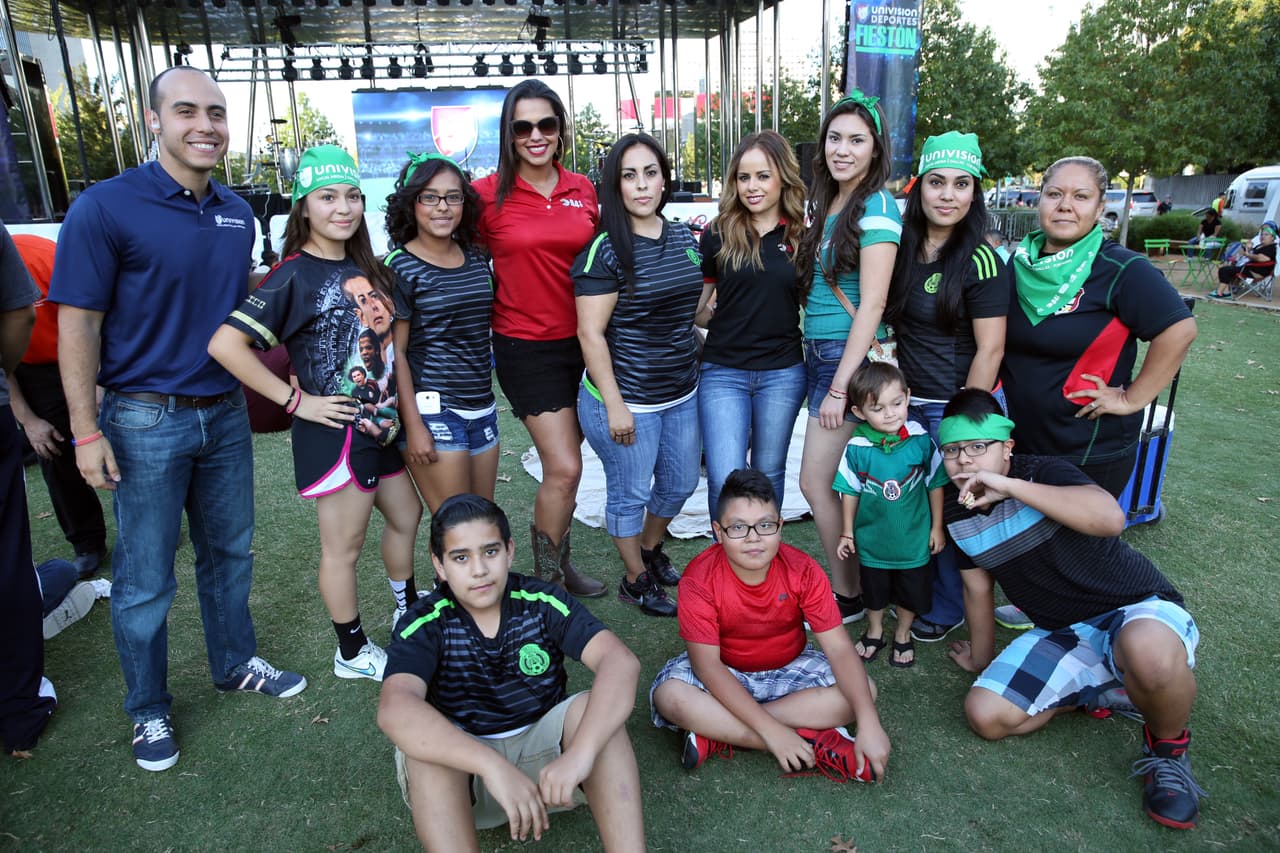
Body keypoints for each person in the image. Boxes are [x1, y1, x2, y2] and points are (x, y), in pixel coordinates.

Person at [50, 67, 306, 772]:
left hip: (223, 415)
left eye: (217, 113)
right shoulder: (104, 207)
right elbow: (78, 324)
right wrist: (85, 429)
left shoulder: (235, 211)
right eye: (187, 111)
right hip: (141, 419)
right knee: (146, 577)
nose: (207, 125)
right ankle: (148, 709)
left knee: (231, 554)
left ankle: (234, 662)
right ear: (152, 120)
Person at [939, 389, 1205, 831]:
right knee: (986, 716)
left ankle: (1168, 751)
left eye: (977, 446)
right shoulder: (956, 510)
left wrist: (1008, 486)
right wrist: (981, 659)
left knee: (1148, 655)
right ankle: (1103, 692)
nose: (964, 460)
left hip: (1135, 608)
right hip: (1064, 632)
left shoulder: (1042, 471)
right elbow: (977, 587)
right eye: (952, 450)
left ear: (1007, 446)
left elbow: (1110, 520)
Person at [209, 145, 423, 683]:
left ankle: (407, 611)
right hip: (334, 434)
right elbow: (226, 346)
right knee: (343, 547)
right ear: (304, 206)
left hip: (379, 426)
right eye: (327, 197)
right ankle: (350, 652)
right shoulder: (291, 275)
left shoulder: (362, 266)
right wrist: (297, 401)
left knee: (407, 516)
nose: (343, 208)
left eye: (352, 195)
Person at [377, 494, 645, 851]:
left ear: (509, 551)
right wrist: (491, 766)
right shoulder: (424, 622)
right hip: (469, 778)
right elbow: (396, 708)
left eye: (490, 552)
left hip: (552, 771)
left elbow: (620, 662)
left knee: (591, 711)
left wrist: (580, 754)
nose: (479, 569)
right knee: (424, 752)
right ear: (439, 566)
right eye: (460, 557)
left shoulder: (541, 600)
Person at [649, 469, 889, 780]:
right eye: (738, 527)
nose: (752, 538)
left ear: (780, 526)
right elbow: (707, 667)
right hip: (726, 669)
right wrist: (773, 733)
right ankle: (811, 741)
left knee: (864, 693)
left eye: (764, 525)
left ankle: (716, 732)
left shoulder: (802, 569)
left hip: (791, 666)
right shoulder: (699, 578)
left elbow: (840, 650)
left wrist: (870, 722)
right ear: (717, 532)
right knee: (671, 698)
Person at [474, 79, 605, 597]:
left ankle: (559, 561)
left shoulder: (583, 188)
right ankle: (545, 581)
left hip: (587, 343)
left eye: (545, 124)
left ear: (560, 130)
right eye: (522, 126)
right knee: (565, 466)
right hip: (525, 347)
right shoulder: (485, 195)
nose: (535, 135)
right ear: (509, 133)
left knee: (569, 466)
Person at [1002, 156, 1196, 498]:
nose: (1065, 206)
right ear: (1040, 199)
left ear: (1100, 206)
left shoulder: (1121, 268)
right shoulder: (1016, 263)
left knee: (1078, 551)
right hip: (1016, 440)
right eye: (1054, 194)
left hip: (1087, 451)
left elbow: (1179, 329)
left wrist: (1131, 399)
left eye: (1081, 196)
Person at [573, 133, 704, 617]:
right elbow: (590, 335)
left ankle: (649, 549)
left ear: (664, 179)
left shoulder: (682, 237)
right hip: (628, 399)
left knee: (681, 482)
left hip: (681, 390)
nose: (642, 185)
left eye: (651, 173)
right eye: (630, 176)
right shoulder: (604, 252)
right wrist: (615, 405)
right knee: (629, 493)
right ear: (615, 185)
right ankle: (634, 579)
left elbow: (692, 310)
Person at [884, 131, 1007, 642]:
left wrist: (963, 428)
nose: (948, 195)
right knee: (916, 505)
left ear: (974, 192)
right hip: (906, 406)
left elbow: (991, 349)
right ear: (919, 187)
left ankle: (950, 604)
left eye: (961, 184)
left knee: (959, 509)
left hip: (956, 407)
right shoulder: (902, 249)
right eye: (937, 182)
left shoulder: (981, 258)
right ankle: (917, 590)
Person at [795, 90, 901, 624]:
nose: (843, 149)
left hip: (848, 357)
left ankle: (851, 594)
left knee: (816, 480)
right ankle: (858, 588)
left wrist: (840, 387)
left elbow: (874, 301)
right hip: (818, 350)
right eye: (835, 138)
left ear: (875, 148)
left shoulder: (878, 203)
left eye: (856, 140)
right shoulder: (832, 202)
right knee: (840, 480)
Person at [694, 131, 808, 522]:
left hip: (783, 373)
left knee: (768, 474)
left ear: (783, 178)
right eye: (744, 177)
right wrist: (725, 318)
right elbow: (697, 310)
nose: (752, 186)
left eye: (763, 176)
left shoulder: (801, 236)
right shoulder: (718, 233)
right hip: (723, 371)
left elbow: (813, 302)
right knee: (725, 477)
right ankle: (726, 571)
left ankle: (761, 565)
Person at [386, 152, 499, 512]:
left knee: (481, 519)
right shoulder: (398, 266)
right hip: (434, 412)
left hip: (482, 407)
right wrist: (414, 425)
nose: (443, 207)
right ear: (411, 203)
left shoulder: (477, 258)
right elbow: (396, 353)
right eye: (430, 197)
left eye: (453, 196)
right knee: (456, 523)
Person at [833, 363, 947, 668]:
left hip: (913, 542)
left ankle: (903, 634)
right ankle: (875, 631)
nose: (890, 414)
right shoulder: (857, 446)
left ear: (908, 397)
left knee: (911, 593)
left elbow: (935, 484)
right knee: (873, 592)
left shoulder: (921, 441)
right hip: (873, 543)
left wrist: (937, 527)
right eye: (878, 408)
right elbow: (850, 490)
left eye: (897, 403)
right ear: (859, 412)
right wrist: (847, 532)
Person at [9, 234, 108, 578]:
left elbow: (97, 317)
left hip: (83, 350)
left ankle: (152, 526)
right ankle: (87, 543)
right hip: (26, 367)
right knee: (51, 448)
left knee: (124, 433)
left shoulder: (42, 256)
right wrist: (28, 420)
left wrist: (98, 380)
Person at [0, 222, 54, 757]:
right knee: (10, 559)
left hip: (50, 370)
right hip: (21, 378)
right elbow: (18, 317)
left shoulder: (38, 254)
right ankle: (19, 708)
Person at [1209, 222, 1276, 298]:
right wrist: (1248, 248)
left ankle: (1220, 292)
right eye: (1262, 234)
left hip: (1256, 271)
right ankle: (1226, 292)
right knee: (1227, 268)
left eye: (1266, 235)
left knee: (1225, 270)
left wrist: (1247, 254)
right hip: (1253, 269)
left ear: (1272, 238)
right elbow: (1252, 254)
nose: (1262, 236)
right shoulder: (1261, 246)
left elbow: (1262, 258)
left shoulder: (1271, 248)